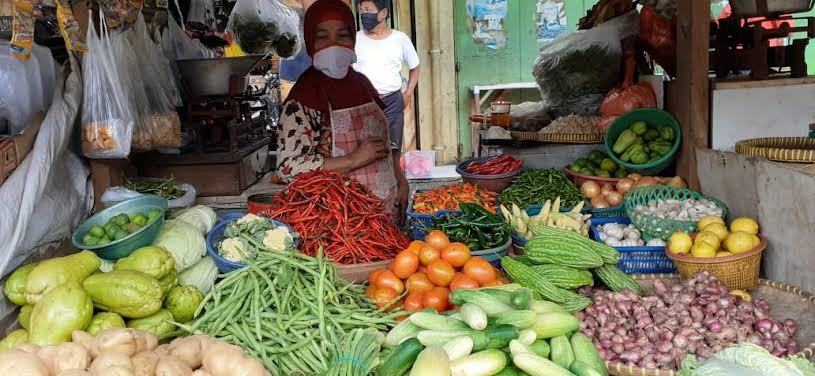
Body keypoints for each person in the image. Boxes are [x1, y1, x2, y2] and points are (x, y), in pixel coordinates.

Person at [276, 0, 409, 223]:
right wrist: (353, 159)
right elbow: (288, 168)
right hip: (337, 222)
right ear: (310, 41)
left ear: (353, 39)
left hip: (383, 214)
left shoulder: (362, 84)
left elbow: (384, 140)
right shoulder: (305, 96)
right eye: (322, 37)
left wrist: (400, 179)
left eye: (342, 35)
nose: (333, 44)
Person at [353, 0, 420, 150]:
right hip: (364, 103)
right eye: (361, 10)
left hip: (392, 102)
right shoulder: (355, 39)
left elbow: (415, 67)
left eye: (367, 9)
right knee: (366, 151)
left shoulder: (400, 39)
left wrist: (408, 93)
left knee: (393, 149)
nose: (363, 14)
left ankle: (396, 172)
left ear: (383, 13)